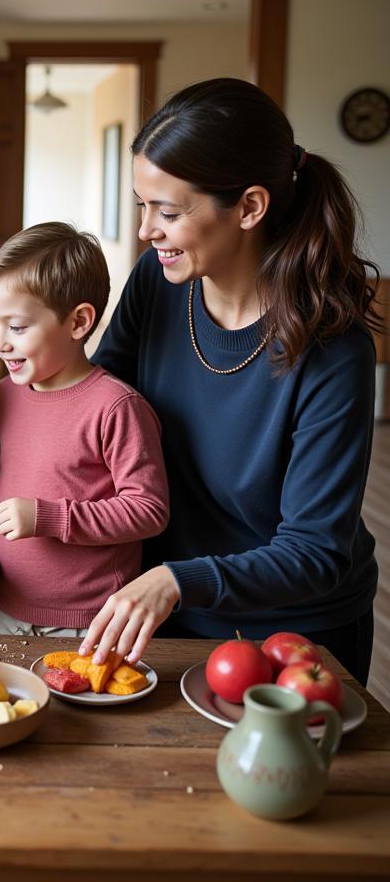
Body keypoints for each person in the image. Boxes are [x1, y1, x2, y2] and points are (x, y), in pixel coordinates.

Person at [78, 78, 380, 683]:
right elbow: (91, 409)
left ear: (249, 207)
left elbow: (315, 552)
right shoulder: (156, 284)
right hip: (159, 608)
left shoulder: (334, 350)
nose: (146, 230)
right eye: (142, 204)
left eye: (168, 211)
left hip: (291, 631)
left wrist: (177, 580)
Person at [0, 223, 169, 639]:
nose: (0, 342)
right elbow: (9, 463)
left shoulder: (116, 407)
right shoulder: (6, 395)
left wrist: (48, 517)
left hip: (90, 620)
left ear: (78, 322)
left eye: (17, 327)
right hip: (4, 606)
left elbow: (148, 510)